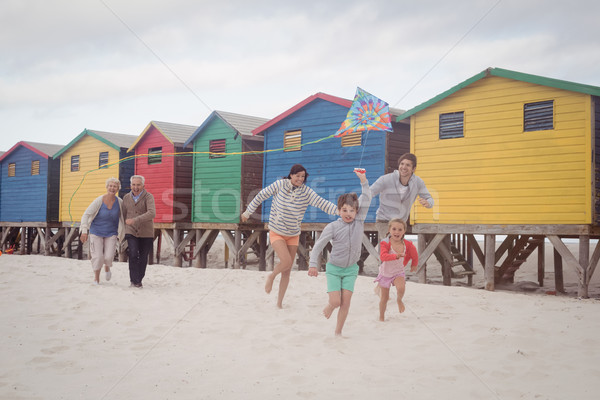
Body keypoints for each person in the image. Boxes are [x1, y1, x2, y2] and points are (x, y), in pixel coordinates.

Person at [241, 164, 338, 308]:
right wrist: (248, 213)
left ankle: (279, 303)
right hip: (276, 231)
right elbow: (261, 196)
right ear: (291, 175)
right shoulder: (280, 185)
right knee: (285, 261)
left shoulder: (306, 192)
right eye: (297, 175)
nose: (300, 179)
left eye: (303, 176)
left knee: (287, 271)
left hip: (293, 234)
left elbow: (322, 203)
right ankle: (272, 276)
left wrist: (339, 211)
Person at [308, 170, 371, 336]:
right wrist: (313, 264)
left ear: (357, 211)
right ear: (339, 210)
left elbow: (367, 196)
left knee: (346, 302)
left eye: (351, 210)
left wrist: (363, 180)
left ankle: (338, 331)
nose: (348, 214)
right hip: (334, 269)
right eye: (344, 210)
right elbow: (318, 245)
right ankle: (330, 305)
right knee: (336, 301)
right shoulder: (333, 227)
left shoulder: (359, 221)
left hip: (351, 269)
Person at [370, 153, 434, 242]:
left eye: (408, 165)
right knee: (390, 246)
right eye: (402, 164)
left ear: (413, 169)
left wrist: (428, 203)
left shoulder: (418, 182)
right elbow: (368, 193)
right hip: (384, 221)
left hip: (400, 223)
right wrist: (357, 206)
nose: (404, 167)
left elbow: (430, 199)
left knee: (397, 250)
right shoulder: (386, 179)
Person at [80, 177, 125, 285]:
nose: (112, 188)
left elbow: (125, 216)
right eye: (110, 186)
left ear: (118, 188)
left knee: (109, 256)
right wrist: (84, 231)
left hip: (111, 232)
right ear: (107, 187)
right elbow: (86, 215)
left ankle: (107, 267)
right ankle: (96, 278)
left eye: (115, 186)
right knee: (98, 257)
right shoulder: (99, 200)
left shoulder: (120, 202)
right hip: (96, 231)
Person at [374, 218, 418, 321]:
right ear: (389, 230)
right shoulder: (385, 243)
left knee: (401, 288)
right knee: (384, 298)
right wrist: (395, 256)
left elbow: (414, 254)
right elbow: (383, 256)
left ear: (404, 231)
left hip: (398, 272)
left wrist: (414, 264)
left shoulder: (407, 244)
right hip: (385, 273)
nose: (397, 232)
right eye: (394, 229)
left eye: (400, 229)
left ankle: (399, 300)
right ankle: (381, 317)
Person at [122, 175, 156, 288]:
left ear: (143, 185)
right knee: (132, 253)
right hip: (130, 231)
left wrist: (135, 220)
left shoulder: (148, 197)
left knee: (143, 257)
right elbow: (122, 215)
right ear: (130, 185)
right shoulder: (126, 198)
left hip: (146, 232)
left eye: (138, 185)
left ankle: (138, 280)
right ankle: (133, 280)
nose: (136, 187)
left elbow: (152, 213)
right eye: (133, 185)